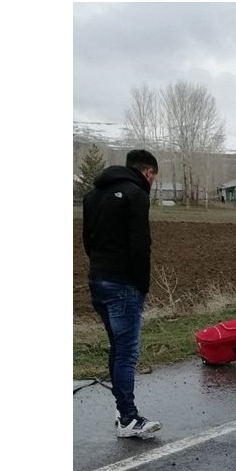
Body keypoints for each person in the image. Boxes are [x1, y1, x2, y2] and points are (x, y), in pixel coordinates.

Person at [82, 149, 162, 439]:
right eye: (153, 177)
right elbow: (141, 245)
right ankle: (129, 418)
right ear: (148, 172)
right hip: (124, 284)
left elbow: (87, 240)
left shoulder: (92, 195)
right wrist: (142, 284)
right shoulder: (136, 194)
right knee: (127, 352)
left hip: (98, 279)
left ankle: (122, 410)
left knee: (117, 348)